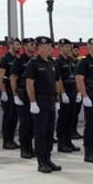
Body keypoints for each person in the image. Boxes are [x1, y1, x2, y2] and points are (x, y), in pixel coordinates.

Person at [25, 36, 62, 173]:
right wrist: (33, 102)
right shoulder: (33, 63)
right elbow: (29, 84)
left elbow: (57, 82)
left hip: (51, 100)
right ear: (39, 48)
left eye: (50, 46)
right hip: (40, 101)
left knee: (49, 131)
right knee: (40, 132)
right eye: (47, 46)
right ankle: (41, 162)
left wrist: (57, 99)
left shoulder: (52, 63)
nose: (50, 48)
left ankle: (48, 158)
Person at [10, 37, 37, 159]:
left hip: (34, 93)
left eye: (34, 45)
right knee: (25, 123)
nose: (34, 47)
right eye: (31, 44)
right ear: (25, 46)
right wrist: (15, 95)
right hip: (23, 94)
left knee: (33, 123)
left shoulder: (35, 59)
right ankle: (24, 149)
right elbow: (13, 77)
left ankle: (31, 148)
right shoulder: (19, 60)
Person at [55, 38, 80, 153]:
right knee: (63, 119)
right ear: (60, 48)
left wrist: (78, 92)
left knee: (72, 117)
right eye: (66, 46)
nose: (68, 48)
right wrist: (62, 93)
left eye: (69, 46)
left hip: (73, 91)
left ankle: (69, 141)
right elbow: (58, 79)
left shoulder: (72, 61)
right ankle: (61, 143)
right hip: (64, 91)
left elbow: (76, 77)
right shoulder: (58, 62)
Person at [0, 37, 21, 150]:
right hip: (6, 89)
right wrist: (3, 92)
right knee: (8, 117)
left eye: (19, 45)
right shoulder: (5, 59)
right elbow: (0, 77)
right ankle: (6, 141)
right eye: (17, 45)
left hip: (14, 91)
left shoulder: (17, 58)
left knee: (14, 117)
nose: (19, 47)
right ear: (10, 45)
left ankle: (11, 140)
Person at [70, 41, 84, 140]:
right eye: (75, 50)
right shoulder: (69, 62)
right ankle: (70, 132)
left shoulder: (78, 62)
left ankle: (74, 130)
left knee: (76, 113)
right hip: (70, 91)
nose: (77, 52)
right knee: (71, 114)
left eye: (77, 50)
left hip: (77, 91)